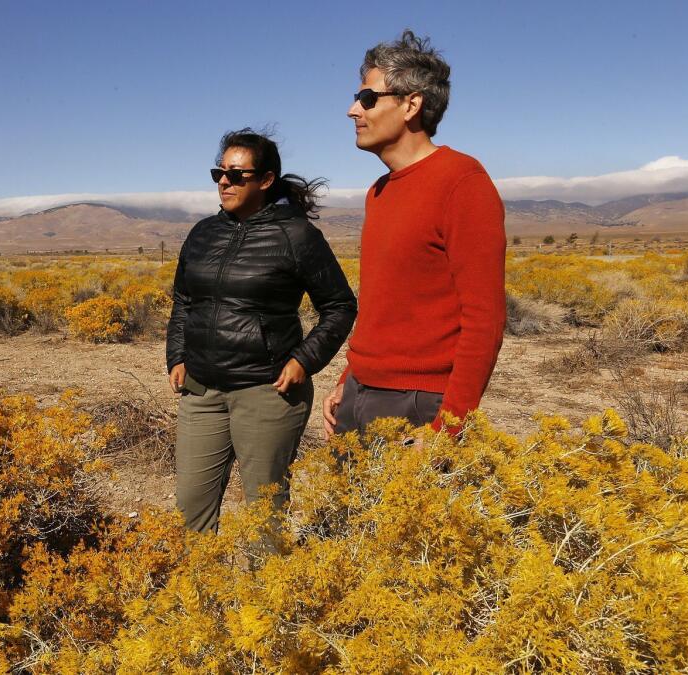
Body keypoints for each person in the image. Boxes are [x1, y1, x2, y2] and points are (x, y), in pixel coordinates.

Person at [166, 128, 357, 533]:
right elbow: (184, 300)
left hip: (266, 392)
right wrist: (178, 355)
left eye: (236, 175)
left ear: (266, 180)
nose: (223, 181)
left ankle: (264, 592)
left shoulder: (296, 235)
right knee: (190, 507)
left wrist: (304, 360)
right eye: (219, 172)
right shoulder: (203, 233)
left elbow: (339, 306)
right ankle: (200, 593)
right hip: (202, 391)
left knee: (263, 512)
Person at [323, 31, 506, 438]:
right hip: (359, 393)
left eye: (368, 98)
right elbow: (384, 307)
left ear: (411, 104)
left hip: (419, 404)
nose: (353, 110)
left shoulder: (462, 181)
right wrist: (347, 379)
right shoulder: (379, 191)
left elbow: (485, 318)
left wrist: (449, 427)